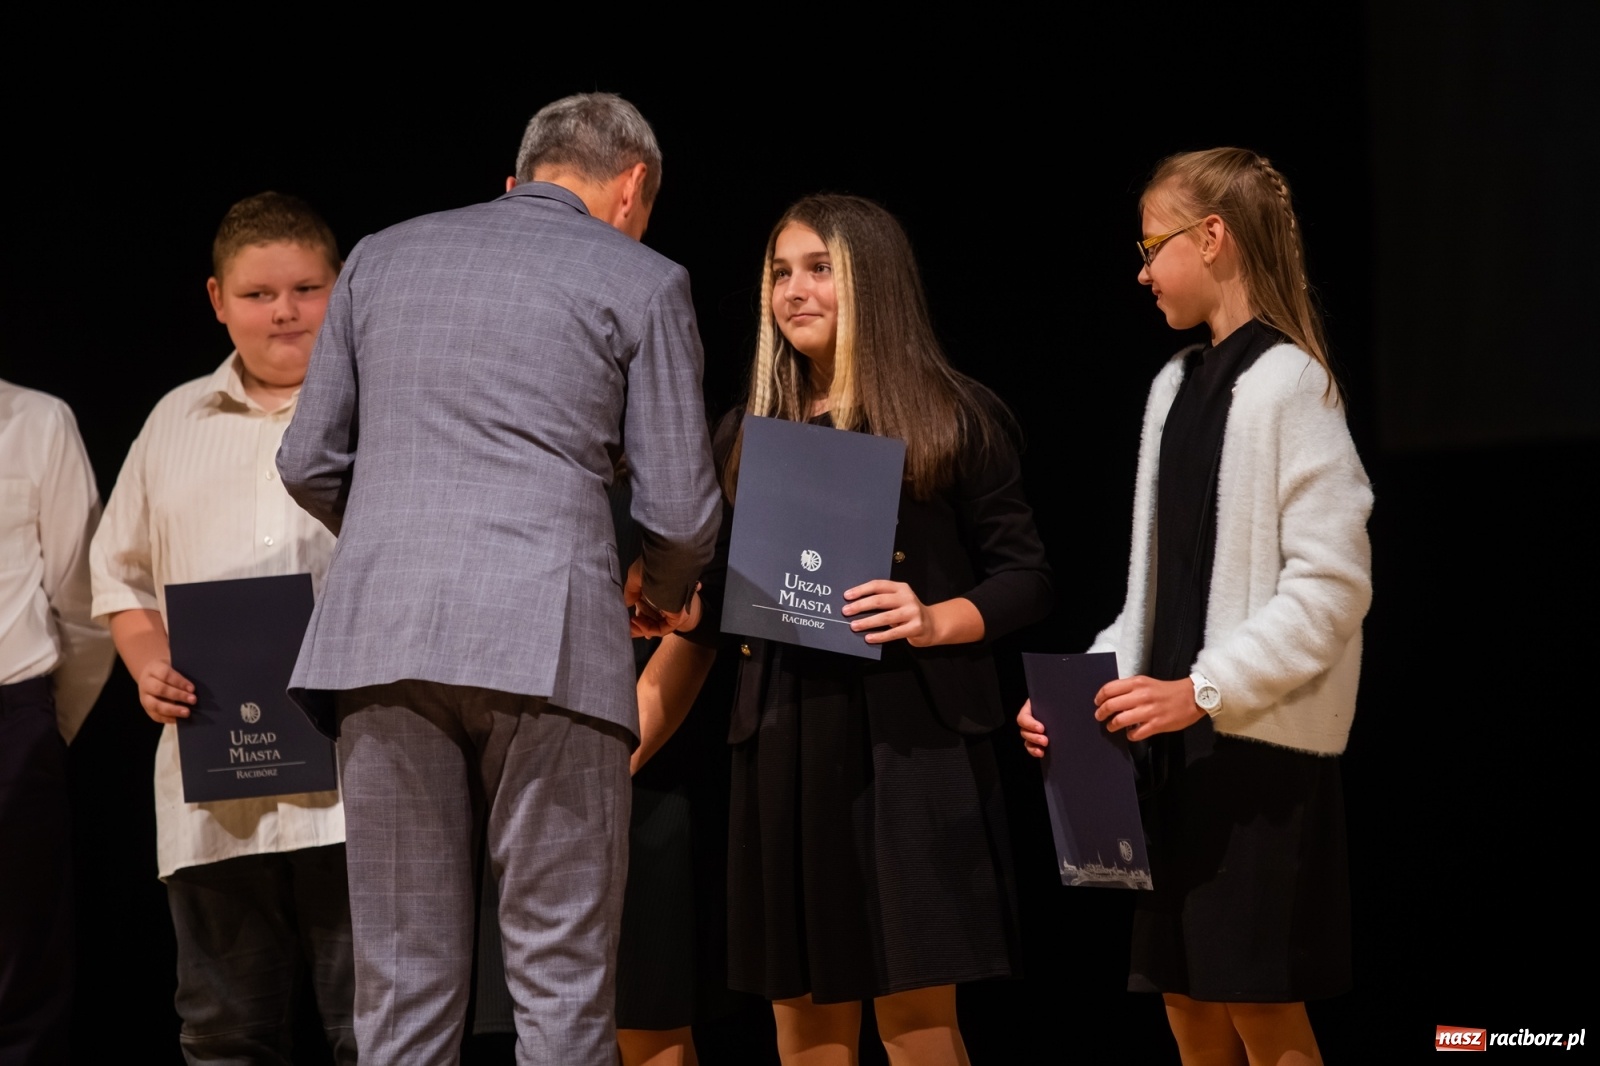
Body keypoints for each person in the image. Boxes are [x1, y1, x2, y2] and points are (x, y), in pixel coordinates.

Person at [275, 92, 719, 1065]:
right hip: (550, 639)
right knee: (560, 986)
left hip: (384, 637)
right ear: (633, 185)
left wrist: (404, 537)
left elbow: (307, 459)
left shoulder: (381, 258)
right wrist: (655, 584)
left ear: (521, 173)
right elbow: (683, 511)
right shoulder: (643, 276)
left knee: (399, 989)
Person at [667, 194, 1052, 1066]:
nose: (793, 291)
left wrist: (931, 618)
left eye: (818, 269)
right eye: (779, 272)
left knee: (916, 1014)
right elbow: (733, 586)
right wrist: (689, 605)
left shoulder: (952, 414)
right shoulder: (746, 433)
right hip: (782, 734)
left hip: (910, 736)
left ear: (872, 280)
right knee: (800, 1015)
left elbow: (1027, 577)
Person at [1017, 148, 1373, 1065]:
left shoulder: (1295, 384)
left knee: (1261, 1007)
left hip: (1257, 760)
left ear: (1211, 238)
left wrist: (1202, 688)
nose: (1141, 272)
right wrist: (1081, 694)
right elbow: (1154, 594)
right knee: (1184, 1002)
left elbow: (1332, 587)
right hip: (1176, 759)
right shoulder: (1172, 386)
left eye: (1152, 245)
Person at [88, 191, 356, 1064]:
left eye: (308, 289)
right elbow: (117, 575)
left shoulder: (384, 415)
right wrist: (146, 661)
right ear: (216, 299)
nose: (284, 311)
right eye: (258, 294)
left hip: (357, 788)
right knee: (224, 1031)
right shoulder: (173, 423)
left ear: (342, 287)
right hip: (213, 794)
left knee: (379, 1031)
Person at [0, 380, 114, 1063]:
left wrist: (42, 728)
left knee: (19, 972)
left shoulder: (38, 421)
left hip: (11, 717)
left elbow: (82, 598)